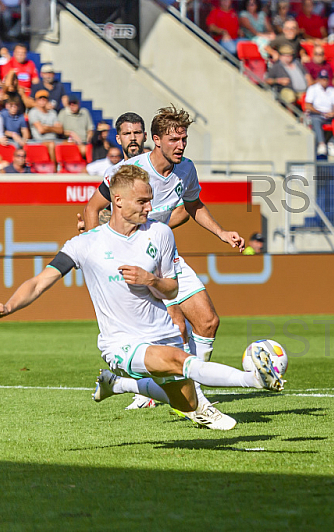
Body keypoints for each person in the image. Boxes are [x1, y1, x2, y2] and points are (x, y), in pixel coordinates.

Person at [0, 165, 283, 431]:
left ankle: (120, 385)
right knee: (181, 361)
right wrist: (8, 306)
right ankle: (254, 379)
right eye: (142, 201)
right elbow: (40, 282)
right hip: (120, 342)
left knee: (185, 403)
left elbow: (172, 289)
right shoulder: (85, 244)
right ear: (117, 201)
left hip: (162, 334)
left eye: (150, 199)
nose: (149, 207)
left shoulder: (161, 233)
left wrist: (150, 280)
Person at [82, 107, 250, 418]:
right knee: (168, 331)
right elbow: (93, 207)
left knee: (208, 321)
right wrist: (96, 250)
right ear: (156, 140)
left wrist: (222, 232)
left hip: (165, 256)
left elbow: (193, 204)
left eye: (184, 139)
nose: (181, 145)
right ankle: (183, 395)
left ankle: (189, 389)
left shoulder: (186, 169)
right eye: (174, 139)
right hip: (131, 261)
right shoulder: (131, 170)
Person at [305, 69, 334, 155]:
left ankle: (332, 143)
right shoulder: (313, 89)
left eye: (325, 79)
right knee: (316, 120)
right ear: (318, 79)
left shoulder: (332, 90)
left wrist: (333, 113)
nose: (324, 81)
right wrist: (320, 112)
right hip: (317, 113)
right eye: (322, 79)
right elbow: (308, 105)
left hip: (329, 114)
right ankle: (321, 143)